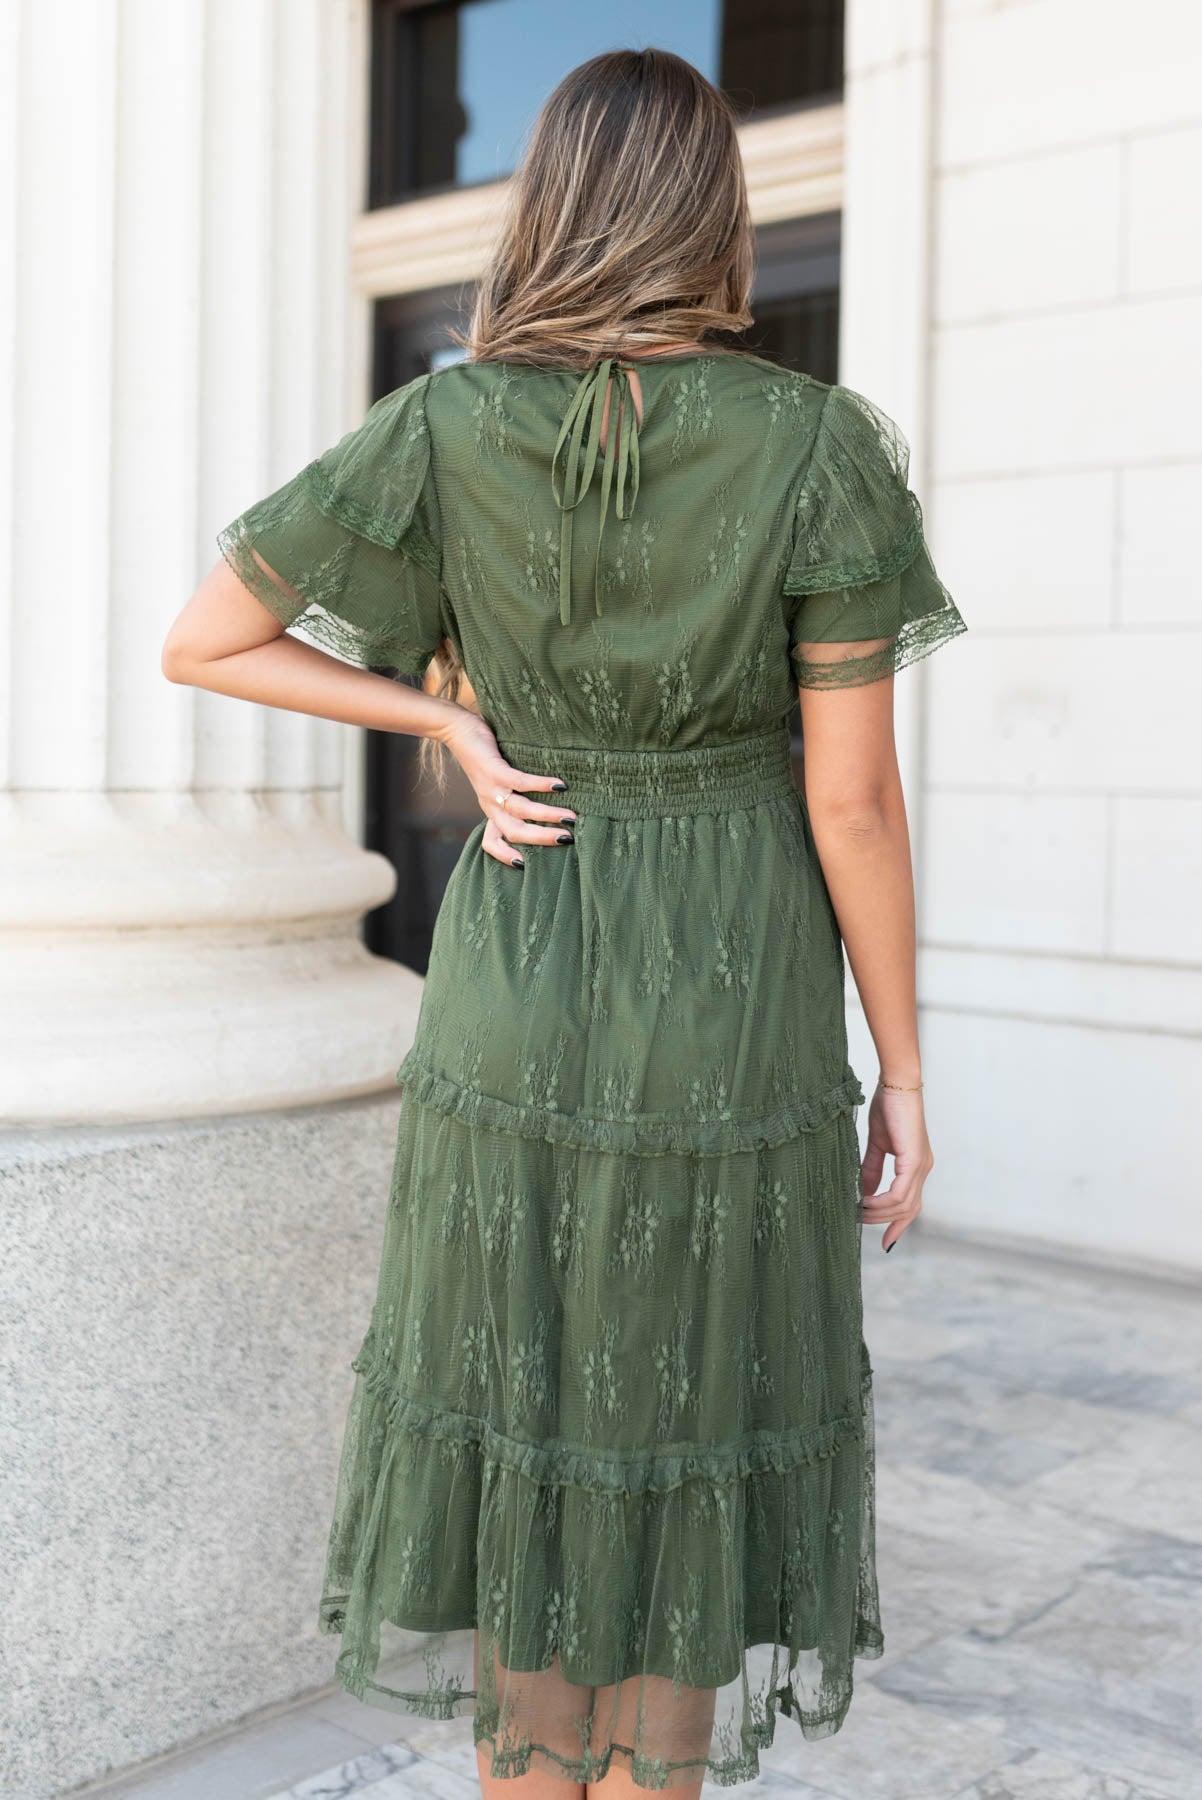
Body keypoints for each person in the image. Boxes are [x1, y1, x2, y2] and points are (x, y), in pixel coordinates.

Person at [161, 45, 966, 1798]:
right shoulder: (812, 444)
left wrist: (446, 721)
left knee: (528, 1410)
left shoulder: (446, 423)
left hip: (523, 949)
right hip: (734, 987)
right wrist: (901, 1068)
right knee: (678, 1423)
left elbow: (203, 638)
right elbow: (848, 800)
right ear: (713, 213)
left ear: (551, 209)